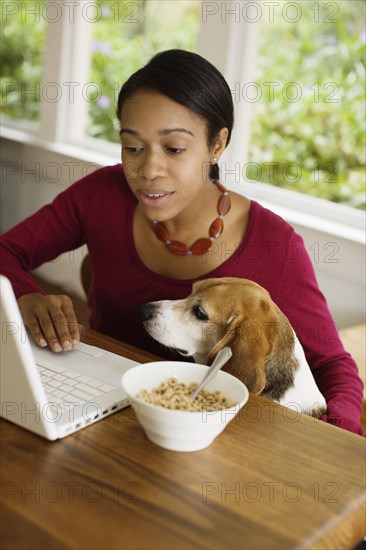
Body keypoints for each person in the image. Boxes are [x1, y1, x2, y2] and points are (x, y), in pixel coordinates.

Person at [0, 49, 363, 435]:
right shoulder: (101, 194)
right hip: (95, 411)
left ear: (216, 145)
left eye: (174, 149)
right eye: (133, 147)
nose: (148, 171)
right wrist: (25, 294)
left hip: (212, 440)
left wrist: (338, 444)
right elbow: (7, 251)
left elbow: (333, 366)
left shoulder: (276, 247)